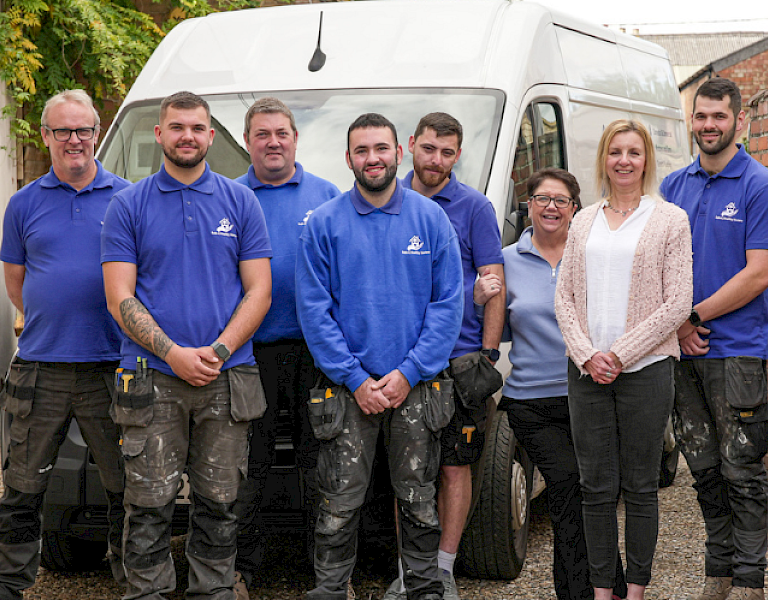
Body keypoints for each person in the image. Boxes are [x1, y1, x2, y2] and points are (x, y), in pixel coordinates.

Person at [101, 91, 273, 600]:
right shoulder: (127, 205)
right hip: (151, 378)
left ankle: (213, 591)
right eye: (177, 127)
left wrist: (217, 352)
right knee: (149, 502)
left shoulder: (241, 202)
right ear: (159, 134)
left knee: (220, 500)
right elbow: (118, 297)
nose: (187, 136)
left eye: (197, 128)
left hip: (227, 376)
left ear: (211, 136)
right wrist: (173, 353)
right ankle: (148, 593)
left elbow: (259, 290)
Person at [296, 113, 463, 600]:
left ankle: (423, 590)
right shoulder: (325, 224)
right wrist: (354, 379)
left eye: (381, 148)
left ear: (399, 152)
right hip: (347, 391)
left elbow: (447, 305)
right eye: (362, 150)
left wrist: (408, 372)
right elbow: (314, 310)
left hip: (414, 386)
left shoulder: (431, 220)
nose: (373, 158)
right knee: (338, 505)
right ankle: (330, 591)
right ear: (349, 158)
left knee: (417, 501)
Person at [555, 119, 693, 600]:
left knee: (638, 486)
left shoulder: (670, 220)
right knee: (595, 487)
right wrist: (589, 354)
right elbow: (564, 298)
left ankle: (634, 590)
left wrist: (619, 353)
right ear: (604, 159)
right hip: (587, 372)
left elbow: (678, 302)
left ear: (646, 159)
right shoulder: (583, 220)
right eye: (616, 152)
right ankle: (600, 591)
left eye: (634, 152)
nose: (624, 161)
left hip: (646, 372)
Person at [0, 89, 129, 598]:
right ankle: (10, 585)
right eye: (63, 130)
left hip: (111, 366)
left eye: (84, 130)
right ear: (45, 136)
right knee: (22, 488)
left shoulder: (128, 197)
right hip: (41, 368)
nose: (75, 140)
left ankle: (134, 583)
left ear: (97, 134)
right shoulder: (23, 203)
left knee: (126, 488)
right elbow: (16, 279)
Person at [475, 168, 627, 600]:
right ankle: (586, 591)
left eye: (561, 200)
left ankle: (605, 586)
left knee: (592, 493)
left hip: (589, 397)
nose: (551, 207)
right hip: (530, 401)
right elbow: (496, 331)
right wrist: (478, 299)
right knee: (567, 484)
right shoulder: (506, 260)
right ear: (529, 206)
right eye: (542, 198)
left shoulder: (594, 256)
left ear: (575, 209)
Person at [382, 112, 504, 600]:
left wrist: (488, 355)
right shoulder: (388, 200)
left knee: (455, 467)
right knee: (409, 470)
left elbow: (493, 285)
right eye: (429, 148)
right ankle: (411, 572)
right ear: (411, 145)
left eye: (447, 152)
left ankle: (445, 568)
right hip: (402, 361)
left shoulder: (474, 207)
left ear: (458, 155)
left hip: (459, 363)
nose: (436, 160)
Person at [660, 77, 768, 600]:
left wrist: (693, 316)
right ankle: (717, 574)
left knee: (742, 470)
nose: (708, 125)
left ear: (739, 121)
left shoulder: (758, 184)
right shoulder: (674, 187)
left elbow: (759, 273)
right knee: (702, 470)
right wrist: (674, 328)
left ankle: (750, 581)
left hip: (739, 352)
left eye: (719, 117)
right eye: (701, 116)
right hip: (682, 354)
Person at [231, 97, 340, 598]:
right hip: (250, 357)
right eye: (261, 134)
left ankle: (329, 576)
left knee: (321, 467)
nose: (272, 143)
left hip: (317, 357)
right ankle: (241, 572)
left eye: (281, 133)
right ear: (247, 140)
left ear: (296, 138)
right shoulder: (230, 197)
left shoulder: (328, 195)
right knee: (247, 469)